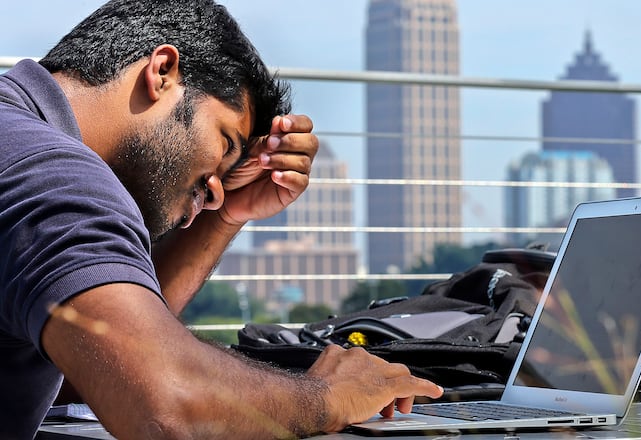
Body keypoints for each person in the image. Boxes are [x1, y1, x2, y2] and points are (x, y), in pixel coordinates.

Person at [0, 0, 443, 438]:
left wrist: (228, 213)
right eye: (226, 143)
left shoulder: (16, 139)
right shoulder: (54, 175)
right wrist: (331, 395)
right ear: (162, 72)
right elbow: (163, 404)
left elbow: (94, 372)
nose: (215, 192)